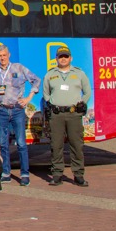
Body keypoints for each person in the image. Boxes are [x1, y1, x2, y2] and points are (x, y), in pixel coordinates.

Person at [0, 45, 40, 186]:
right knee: (3, 143)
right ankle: (5, 173)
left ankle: (24, 174)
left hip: (17, 109)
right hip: (1, 110)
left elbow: (36, 80)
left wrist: (28, 98)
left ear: (9, 55)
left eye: (4, 55)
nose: (2, 58)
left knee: (21, 143)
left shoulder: (19, 68)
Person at [43, 47, 91, 187]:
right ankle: (57, 174)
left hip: (73, 114)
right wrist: (51, 103)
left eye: (66, 56)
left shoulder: (79, 74)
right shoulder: (50, 75)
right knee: (56, 145)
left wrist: (82, 103)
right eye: (60, 56)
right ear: (56, 59)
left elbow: (87, 91)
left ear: (71, 58)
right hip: (57, 115)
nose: (63, 59)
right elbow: (46, 93)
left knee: (76, 145)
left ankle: (78, 175)